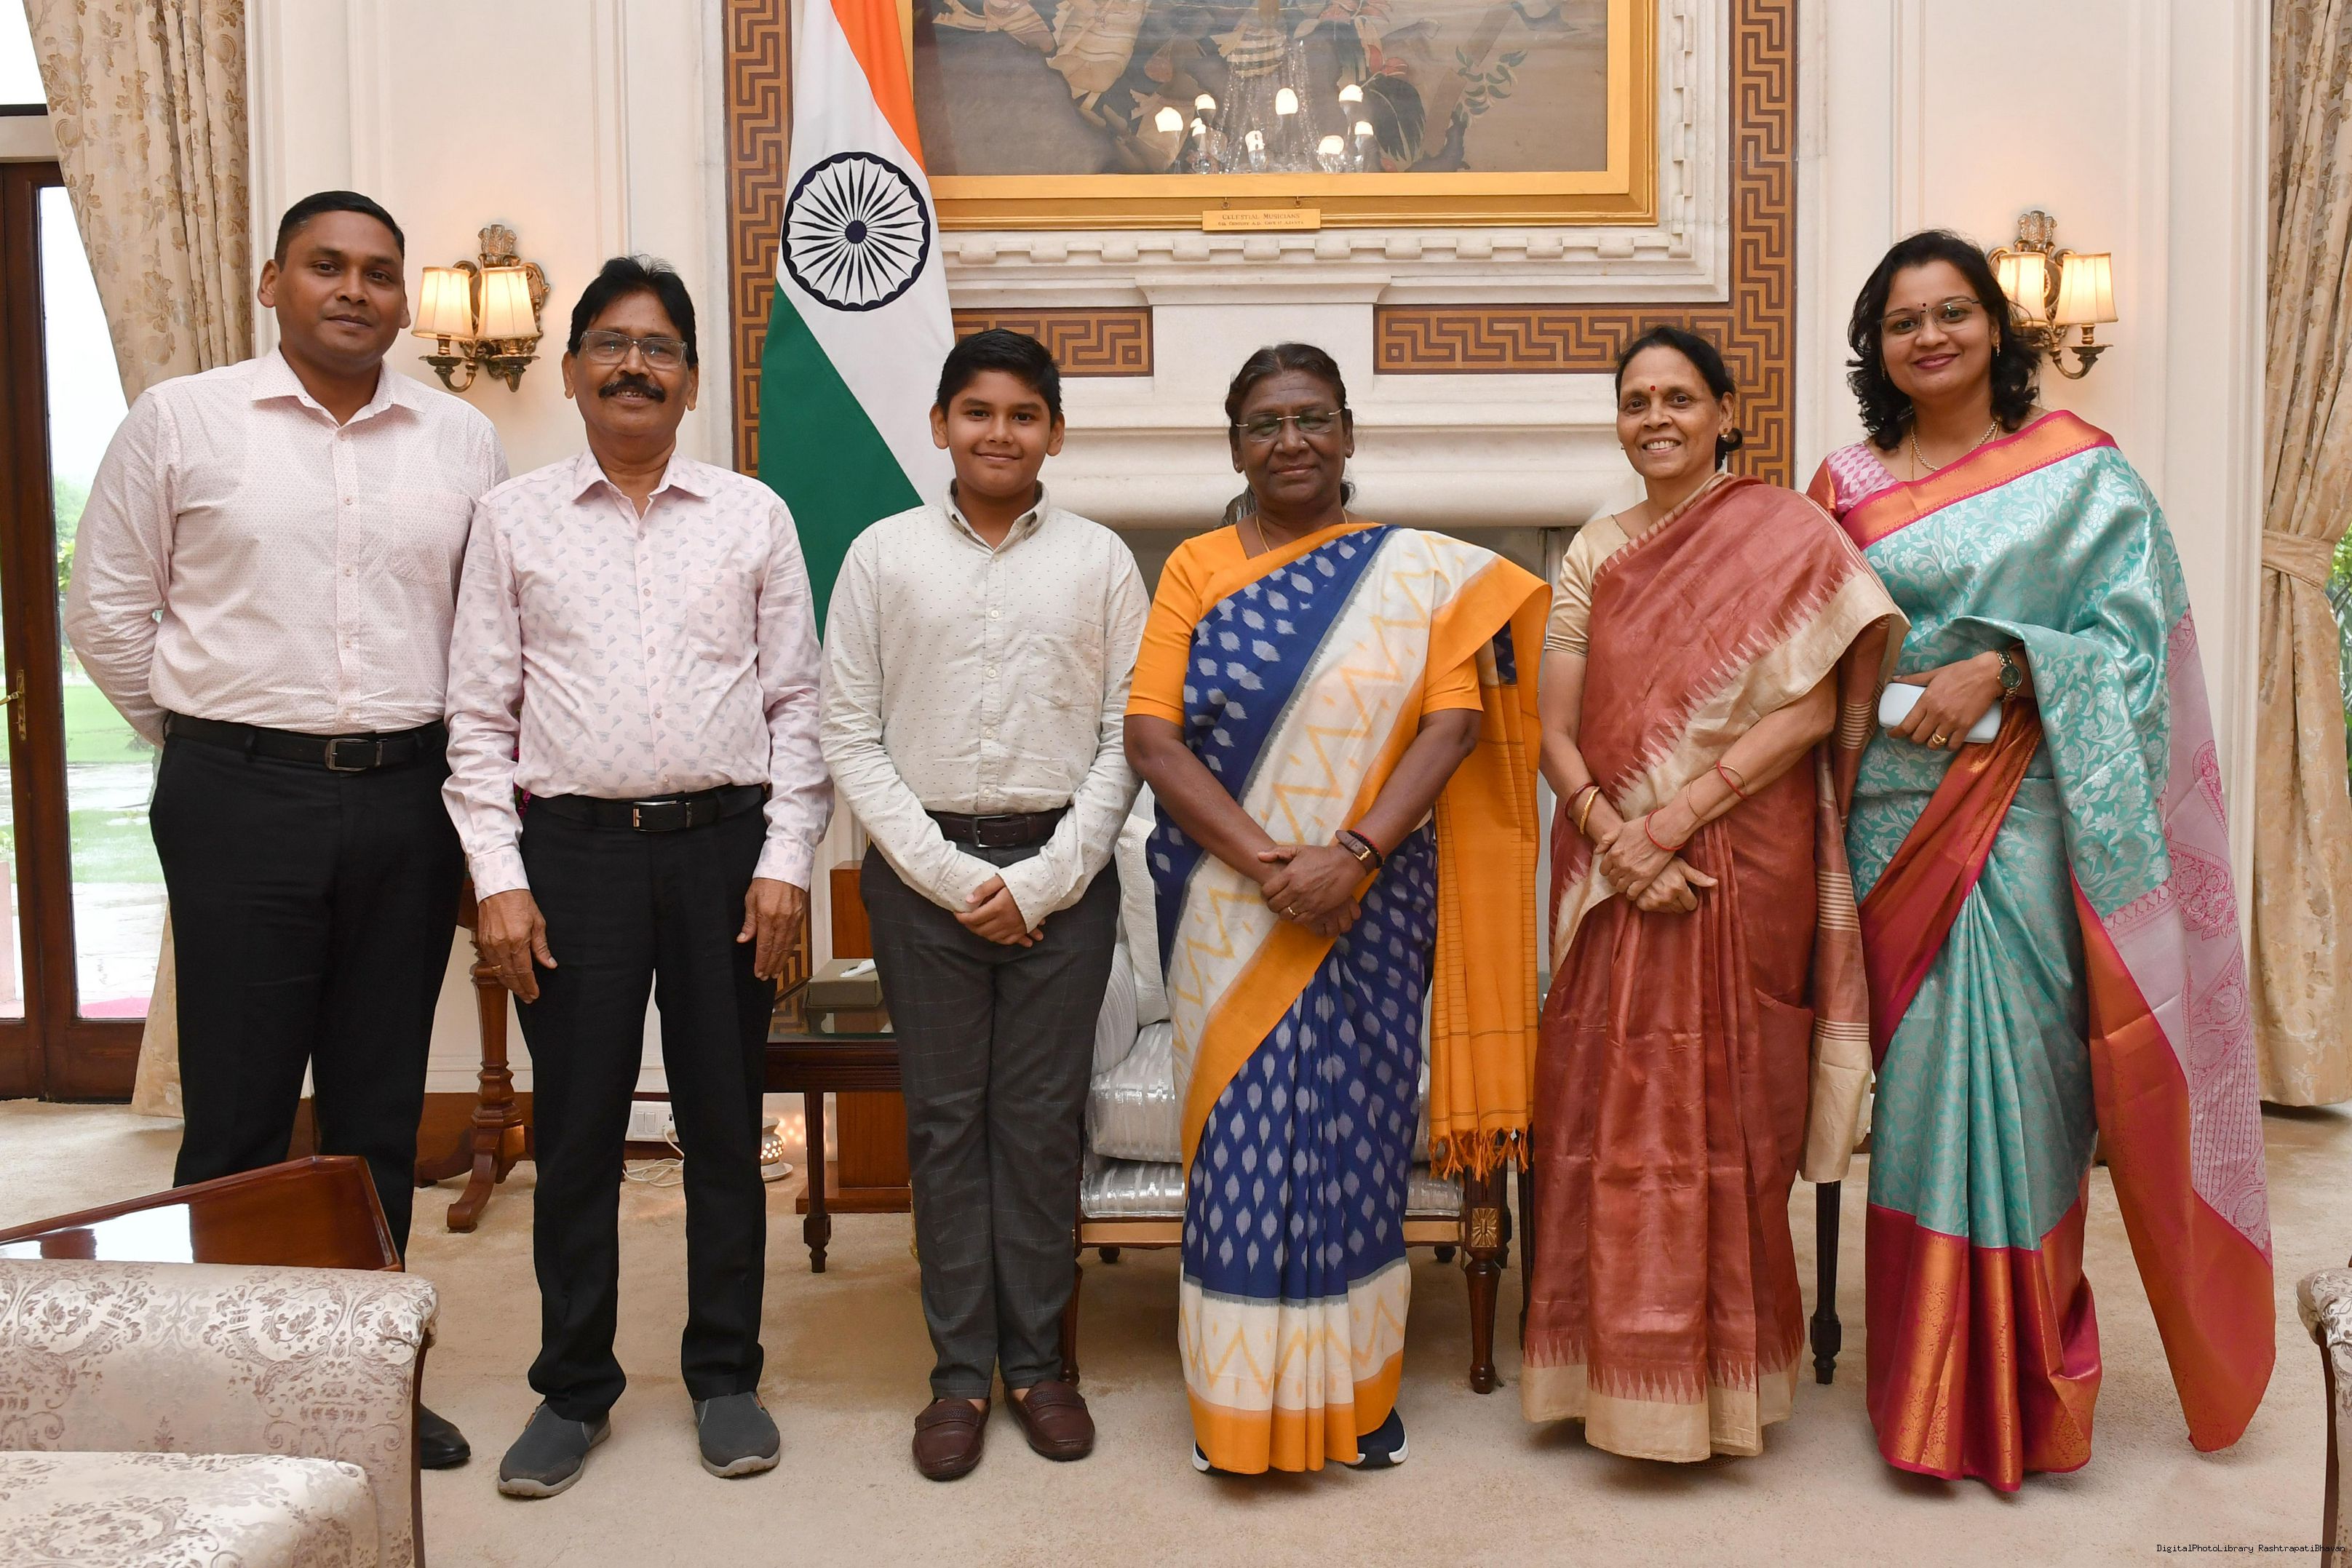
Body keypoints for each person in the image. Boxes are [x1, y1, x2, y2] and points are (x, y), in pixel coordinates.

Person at [1807, 230, 2273, 1490]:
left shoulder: (2083, 470)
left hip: (2023, 816)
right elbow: (1806, 649)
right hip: (1890, 827)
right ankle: (1924, 1388)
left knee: (2029, 1090)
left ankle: (2024, 1385)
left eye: (1953, 312)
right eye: (1903, 322)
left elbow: (2137, 648)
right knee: (1917, 1105)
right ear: (1876, 348)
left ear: (1997, 329)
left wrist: (2010, 662)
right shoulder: (1843, 483)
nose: (1930, 337)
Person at [63, 190, 507, 1471]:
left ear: (403, 300)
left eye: (378, 272)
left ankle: (363, 1384)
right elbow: (107, 613)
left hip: (408, 799)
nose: (354, 290)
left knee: (377, 1112)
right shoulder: (183, 420)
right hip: (236, 796)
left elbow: (486, 630)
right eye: (326, 265)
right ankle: (222, 1394)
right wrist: (214, 743)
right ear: (273, 283)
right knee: (240, 1111)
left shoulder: (461, 438)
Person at [443, 256, 832, 1497]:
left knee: (725, 1124)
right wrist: (499, 880)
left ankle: (725, 1376)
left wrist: (784, 861)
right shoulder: (512, 520)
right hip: (572, 859)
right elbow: (477, 718)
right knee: (577, 1134)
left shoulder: (753, 515)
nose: (633, 367)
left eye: (659, 349)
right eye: (610, 344)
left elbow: (799, 706)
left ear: (692, 381)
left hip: (728, 852)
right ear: (569, 372)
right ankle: (573, 1389)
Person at [1124, 343, 1546, 1476]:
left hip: (1374, 897)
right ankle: (1237, 1406)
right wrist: (1277, 866)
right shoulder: (1195, 569)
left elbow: (1452, 728)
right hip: (1228, 905)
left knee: (1358, 1137)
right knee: (1239, 1146)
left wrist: (1352, 856)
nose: (1291, 441)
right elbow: (1152, 737)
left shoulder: (1417, 575)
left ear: (1349, 434)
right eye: (1265, 424)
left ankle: (1357, 1397)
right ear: (1236, 449)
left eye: (1311, 418)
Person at [1519, 325, 1903, 1461]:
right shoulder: (1594, 550)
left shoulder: (1788, 533)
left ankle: (1728, 1386)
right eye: (1636, 401)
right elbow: (1553, 729)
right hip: (1612, 869)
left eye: (1679, 398)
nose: (1657, 419)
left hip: (1742, 855)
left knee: (1737, 1113)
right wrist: (1614, 836)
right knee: (1601, 1108)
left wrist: (1672, 821)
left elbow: (1815, 704)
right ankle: (1605, 1375)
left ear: (1727, 413)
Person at [822, 328, 1148, 1481]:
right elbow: (849, 737)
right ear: (940, 425)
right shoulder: (881, 555)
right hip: (924, 885)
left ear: (1054, 432)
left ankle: (1040, 1368)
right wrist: (960, 880)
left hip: (1065, 881)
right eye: (977, 412)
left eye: (1022, 414)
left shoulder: (1103, 561)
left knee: (1042, 1124)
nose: (998, 433)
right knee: (946, 1125)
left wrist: (1044, 880)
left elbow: (1127, 736)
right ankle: (960, 1375)